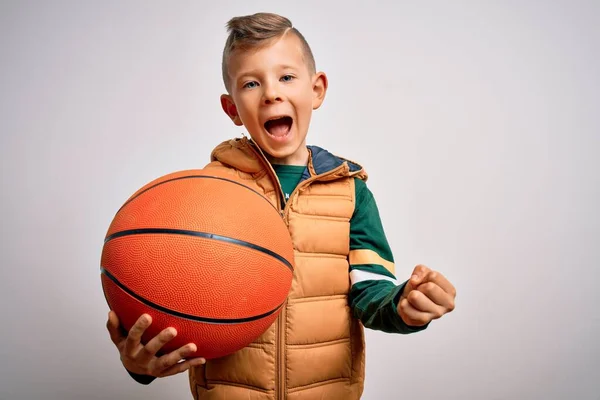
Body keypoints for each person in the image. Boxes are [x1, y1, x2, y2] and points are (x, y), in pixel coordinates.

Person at [106, 12, 456, 400]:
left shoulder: (350, 191)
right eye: (252, 83)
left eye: (286, 77)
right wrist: (138, 365)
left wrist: (405, 306)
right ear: (232, 108)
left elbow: (370, 293)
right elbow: (165, 299)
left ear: (317, 89)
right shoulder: (206, 193)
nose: (272, 93)